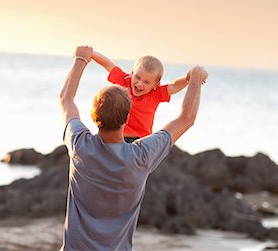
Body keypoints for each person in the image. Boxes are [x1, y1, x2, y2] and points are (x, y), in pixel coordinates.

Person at [59, 45, 208, 251]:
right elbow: (186, 119)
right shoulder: (142, 156)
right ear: (127, 116)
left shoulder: (79, 146)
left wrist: (80, 60)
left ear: (93, 116)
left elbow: (66, 100)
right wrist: (196, 78)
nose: (139, 84)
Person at [91, 50, 206, 142]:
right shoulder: (124, 81)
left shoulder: (156, 94)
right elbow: (108, 65)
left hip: (141, 140)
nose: (139, 84)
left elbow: (174, 86)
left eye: (146, 82)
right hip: (117, 137)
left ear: (156, 85)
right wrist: (91, 53)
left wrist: (188, 78)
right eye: (137, 77)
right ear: (132, 73)